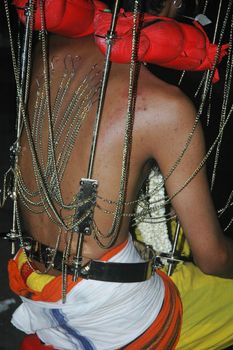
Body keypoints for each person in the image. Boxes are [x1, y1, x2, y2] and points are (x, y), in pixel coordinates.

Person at [6, 0, 233, 349]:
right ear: (173, 5)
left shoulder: (49, 48)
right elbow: (214, 258)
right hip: (119, 313)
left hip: (34, 273)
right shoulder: (163, 106)